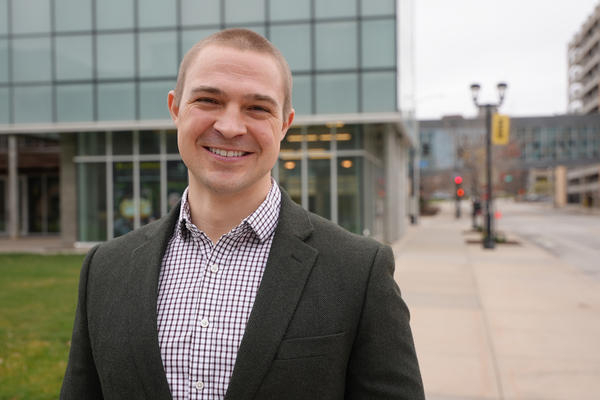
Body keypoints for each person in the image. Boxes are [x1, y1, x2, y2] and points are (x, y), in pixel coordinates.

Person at [61, 28, 425, 400]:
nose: (230, 127)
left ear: (284, 124)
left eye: (257, 108)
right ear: (175, 109)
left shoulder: (359, 271)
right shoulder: (105, 268)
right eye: (208, 100)